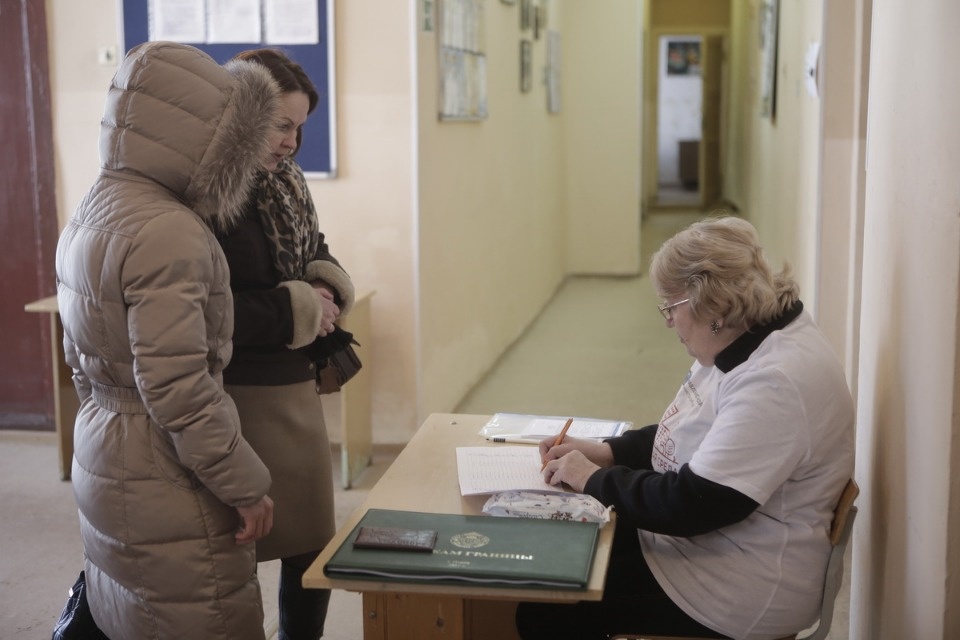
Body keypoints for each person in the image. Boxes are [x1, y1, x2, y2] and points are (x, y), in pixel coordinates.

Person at [517, 216, 855, 639]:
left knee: (549, 605)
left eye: (670, 307)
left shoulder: (776, 381)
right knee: (559, 553)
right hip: (713, 547)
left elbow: (693, 504)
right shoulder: (743, 332)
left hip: (736, 586)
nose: (668, 322)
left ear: (710, 304)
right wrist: (610, 451)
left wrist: (593, 479)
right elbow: (694, 428)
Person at [55, 41, 280, 640]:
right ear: (210, 141)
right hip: (166, 468)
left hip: (104, 446)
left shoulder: (92, 210)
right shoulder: (169, 233)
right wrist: (246, 485)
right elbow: (179, 388)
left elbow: (80, 360)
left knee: (132, 608)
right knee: (201, 612)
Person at [216, 48, 356, 640]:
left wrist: (322, 281)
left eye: (299, 127)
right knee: (233, 547)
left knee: (309, 544)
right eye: (281, 125)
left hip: (294, 385)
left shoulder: (286, 181)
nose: (291, 143)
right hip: (237, 394)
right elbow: (210, 308)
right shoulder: (210, 192)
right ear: (241, 116)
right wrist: (301, 305)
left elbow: (312, 244)